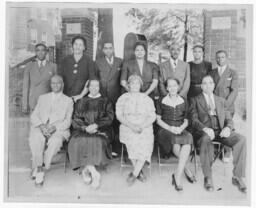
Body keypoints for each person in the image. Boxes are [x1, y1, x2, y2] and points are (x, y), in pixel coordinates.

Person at [189, 75, 246, 193]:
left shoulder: (221, 100)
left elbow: (229, 119)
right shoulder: (195, 99)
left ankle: (237, 176)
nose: (208, 85)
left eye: (210, 83)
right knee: (206, 140)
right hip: (204, 132)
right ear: (201, 86)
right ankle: (208, 177)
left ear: (214, 85)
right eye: (204, 83)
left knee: (242, 140)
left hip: (220, 131)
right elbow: (193, 119)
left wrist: (228, 128)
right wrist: (204, 128)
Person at [68, 79, 114, 189]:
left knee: (96, 140)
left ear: (99, 87)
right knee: (77, 140)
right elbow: (75, 118)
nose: (94, 88)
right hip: (82, 130)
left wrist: (96, 125)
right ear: (88, 87)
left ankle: (86, 170)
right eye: (91, 86)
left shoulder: (105, 101)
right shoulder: (81, 101)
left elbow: (109, 118)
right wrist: (85, 128)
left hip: (101, 129)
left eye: (96, 86)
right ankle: (94, 172)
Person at [28, 75, 73, 186]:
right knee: (36, 138)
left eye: (58, 83)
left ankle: (42, 166)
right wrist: (42, 126)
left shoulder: (68, 101)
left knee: (55, 142)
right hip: (41, 127)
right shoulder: (42, 97)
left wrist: (55, 128)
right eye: (53, 83)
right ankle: (39, 168)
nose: (55, 85)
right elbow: (34, 116)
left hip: (58, 129)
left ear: (63, 84)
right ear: (50, 84)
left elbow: (68, 121)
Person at [116, 75, 156, 186]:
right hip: (128, 126)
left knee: (145, 142)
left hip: (144, 126)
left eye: (137, 83)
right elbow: (119, 115)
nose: (134, 85)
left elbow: (152, 116)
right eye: (132, 83)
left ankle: (134, 174)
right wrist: (131, 126)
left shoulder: (146, 98)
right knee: (132, 142)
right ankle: (138, 172)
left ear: (140, 85)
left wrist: (142, 126)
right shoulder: (123, 98)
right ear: (128, 85)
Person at [156, 78, 195, 191]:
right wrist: (170, 128)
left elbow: (187, 120)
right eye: (170, 86)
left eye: (175, 85)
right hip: (165, 129)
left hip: (180, 128)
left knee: (187, 139)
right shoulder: (161, 100)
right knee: (176, 142)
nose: (172, 88)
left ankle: (177, 175)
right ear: (167, 88)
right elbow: (158, 120)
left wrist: (181, 128)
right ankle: (186, 170)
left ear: (178, 87)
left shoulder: (184, 100)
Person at [209, 50, 239, 162]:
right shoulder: (212, 73)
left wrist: (225, 105)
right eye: (218, 57)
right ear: (215, 59)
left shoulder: (232, 73)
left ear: (226, 58)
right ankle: (213, 149)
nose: (220, 59)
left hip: (227, 106)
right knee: (214, 125)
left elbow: (234, 91)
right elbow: (209, 89)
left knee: (227, 126)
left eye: (222, 57)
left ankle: (227, 151)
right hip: (214, 105)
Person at [96, 41, 123, 156]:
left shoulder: (120, 61)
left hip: (116, 97)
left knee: (116, 123)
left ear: (113, 49)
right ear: (103, 50)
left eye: (110, 48)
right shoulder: (98, 62)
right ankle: (106, 148)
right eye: (105, 48)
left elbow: (122, 79)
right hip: (103, 97)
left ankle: (116, 148)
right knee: (105, 122)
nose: (108, 50)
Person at [58, 35, 98, 102]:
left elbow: (91, 81)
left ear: (84, 47)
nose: (77, 47)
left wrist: (81, 95)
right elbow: (60, 79)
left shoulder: (89, 61)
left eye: (80, 45)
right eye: (75, 44)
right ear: (72, 46)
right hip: (66, 97)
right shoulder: (65, 60)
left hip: (83, 98)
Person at [22, 43, 57, 113]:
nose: (40, 53)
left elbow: (56, 87)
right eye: (38, 50)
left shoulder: (53, 66)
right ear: (35, 52)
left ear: (46, 52)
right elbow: (25, 87)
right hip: (33, 103)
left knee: (47, 123)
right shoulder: (29, 66)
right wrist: (25, 105)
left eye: (43, 50)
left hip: (48, 103)